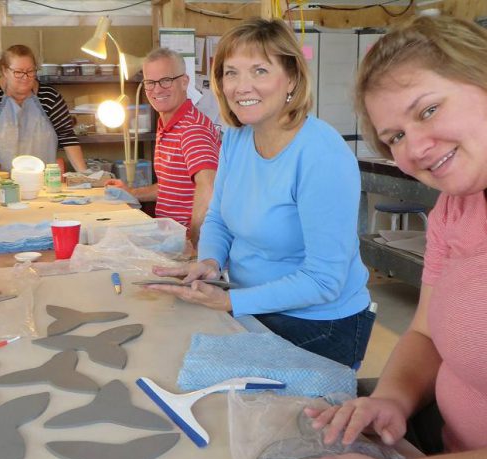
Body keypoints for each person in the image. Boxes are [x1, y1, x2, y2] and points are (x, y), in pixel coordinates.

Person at [250, 15, 487, 459]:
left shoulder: (318, 150)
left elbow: (324, 276)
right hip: (436, 449)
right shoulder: (457, 206)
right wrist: (394, 398)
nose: (415, 148)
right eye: (395, 136)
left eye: (428, 109)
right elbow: (424, 332)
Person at [148, 19, 373, 368]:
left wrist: (231, 303)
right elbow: (220, 218)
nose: (242, 86)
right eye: (231, 72)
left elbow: (324, 281)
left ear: (292, 79)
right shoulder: (237, 139)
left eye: (259, 70)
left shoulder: (320, 154)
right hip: (251, 304)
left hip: (319, 323)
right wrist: (209, 262)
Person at [105, 48, 220, 246]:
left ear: (184, 82)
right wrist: (131, 192)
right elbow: (172, 187)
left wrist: (194, 243)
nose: (157, 90)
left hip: (186, 244)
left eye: (166, 80)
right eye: (150, 83)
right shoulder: (168, 125)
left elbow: (209, 187)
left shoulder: (192, 129)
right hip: (169, 238)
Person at [0, 44, 86, 173]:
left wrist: (85, 175)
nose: (25, 77)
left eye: (30, 71)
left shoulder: (50, 97)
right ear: (5, 71)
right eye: (18, 72)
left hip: (42, 183)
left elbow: (68, 138)